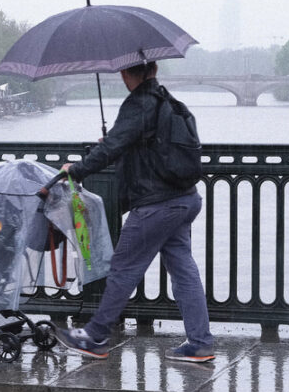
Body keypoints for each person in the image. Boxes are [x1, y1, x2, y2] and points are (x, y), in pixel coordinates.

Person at [55, 61, 215, 363]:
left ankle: (95, 335)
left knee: (123, 269)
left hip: (157, 205)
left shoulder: (139, 104)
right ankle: (200, 342)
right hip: (185, 198)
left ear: (126, 73)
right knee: (183, 271)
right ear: (153, 69)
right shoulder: (169, 101)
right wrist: (119, 141)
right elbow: (151, 147)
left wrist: (74, 171)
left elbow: (109, 151)